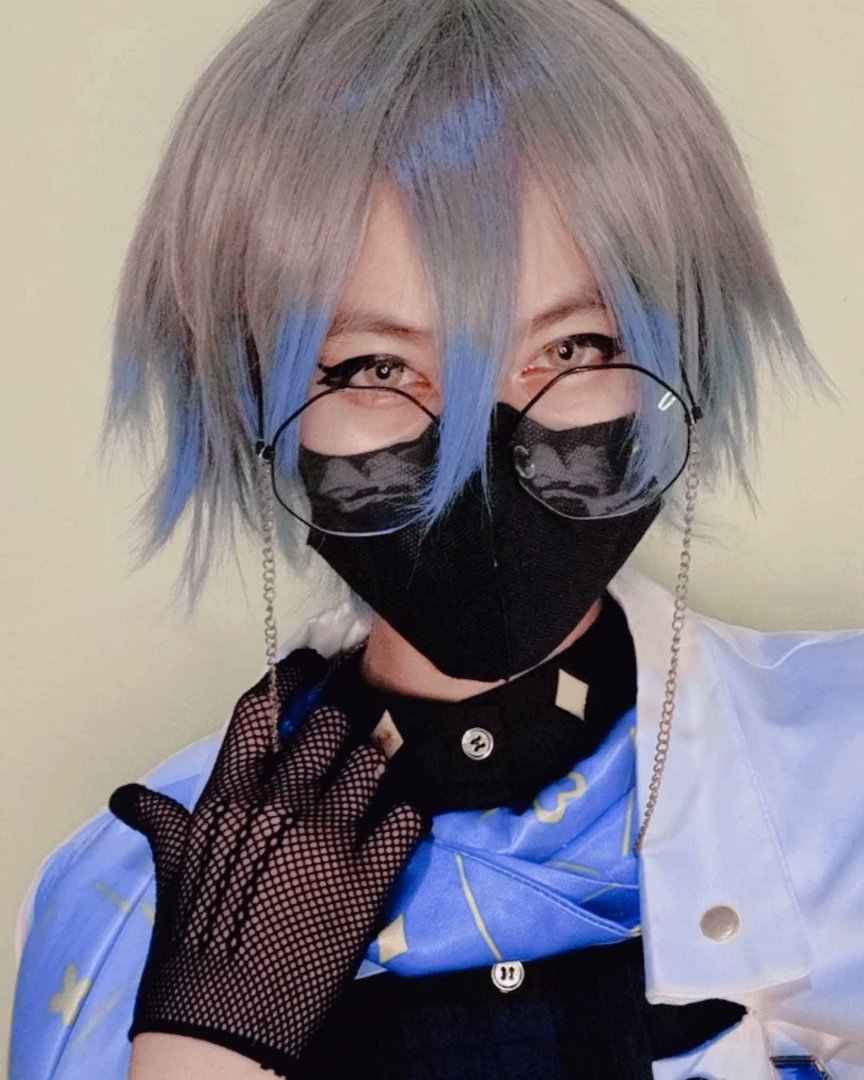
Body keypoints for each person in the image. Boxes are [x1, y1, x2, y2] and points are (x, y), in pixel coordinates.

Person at [9, 0, 864, 1078]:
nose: (478, 452)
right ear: (244, 395)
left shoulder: (846, 765)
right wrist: (199, 1048)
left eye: (575, 345)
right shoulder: (132, 894)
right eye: (375, 367)